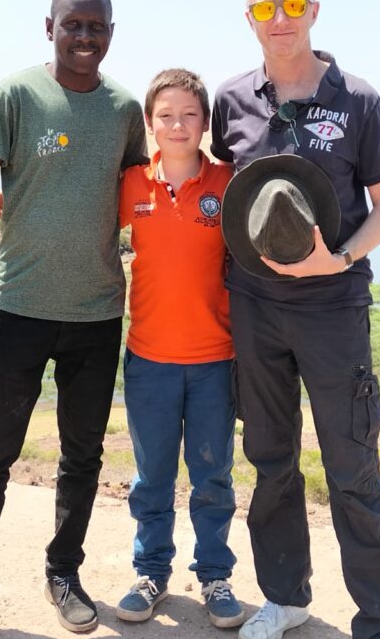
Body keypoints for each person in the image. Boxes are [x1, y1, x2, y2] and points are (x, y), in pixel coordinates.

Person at [0, 0, 147, 639]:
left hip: (97, 315)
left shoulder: (124, 110)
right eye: (72, 24)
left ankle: (64, 573)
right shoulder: (17, 95)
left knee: (82, 457)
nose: (84, 36)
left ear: (112, 33)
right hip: (19, 309)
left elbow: (140, 199)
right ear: (48, 27)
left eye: (96, 26)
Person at [210, 0, 380, 639]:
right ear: (250, 20)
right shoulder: (231, 99)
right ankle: (285, 597)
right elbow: (220, 192)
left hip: (333, 309)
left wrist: (342, 256)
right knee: (269, 461)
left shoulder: (358, 100)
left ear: (315, 12)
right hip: (254, 308)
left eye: (292, 6)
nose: (280, 20)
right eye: (266, 10)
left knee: (352, 463)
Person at [113, 69, 244, 629]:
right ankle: (152, 573)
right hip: (148, 360)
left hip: (215, 359)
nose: (177, 124)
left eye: (190, 114)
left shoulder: (229, 182)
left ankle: (215, 577)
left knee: (213, 477)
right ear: (149, 123)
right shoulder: (132, 185)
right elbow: (74, 221)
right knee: (153, 478)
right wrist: (9, 206)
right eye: (165, 115)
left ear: (205, 123)